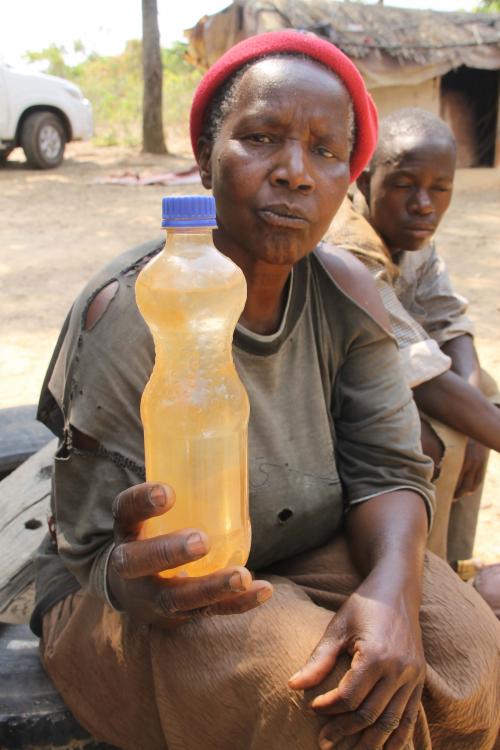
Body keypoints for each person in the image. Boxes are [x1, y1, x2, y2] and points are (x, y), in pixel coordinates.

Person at [31, 32, 500, 750]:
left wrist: (391, 595)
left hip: (299, 548)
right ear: (204, 156)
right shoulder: (133, 308)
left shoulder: (349, 295)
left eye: (325, 150)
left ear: (351, 178)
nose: (293, 173)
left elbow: (389, 466)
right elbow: (93, 552)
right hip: (136, 601)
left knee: (470, 657)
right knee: (319, 702)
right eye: (261, 138)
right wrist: (127, 575)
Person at [328, 109, 500, 570]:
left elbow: (449, 317)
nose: (424, 204)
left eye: (440, 189)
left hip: (387, 372)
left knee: (479, 390)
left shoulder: (410, 231)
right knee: (435, 438)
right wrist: (477, 425)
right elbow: (414, 368)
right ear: (365, 183)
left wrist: (478, 408)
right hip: (331, 391)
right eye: (405, 185)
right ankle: (431, 576)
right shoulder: (348, 249)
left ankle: (457, 565)